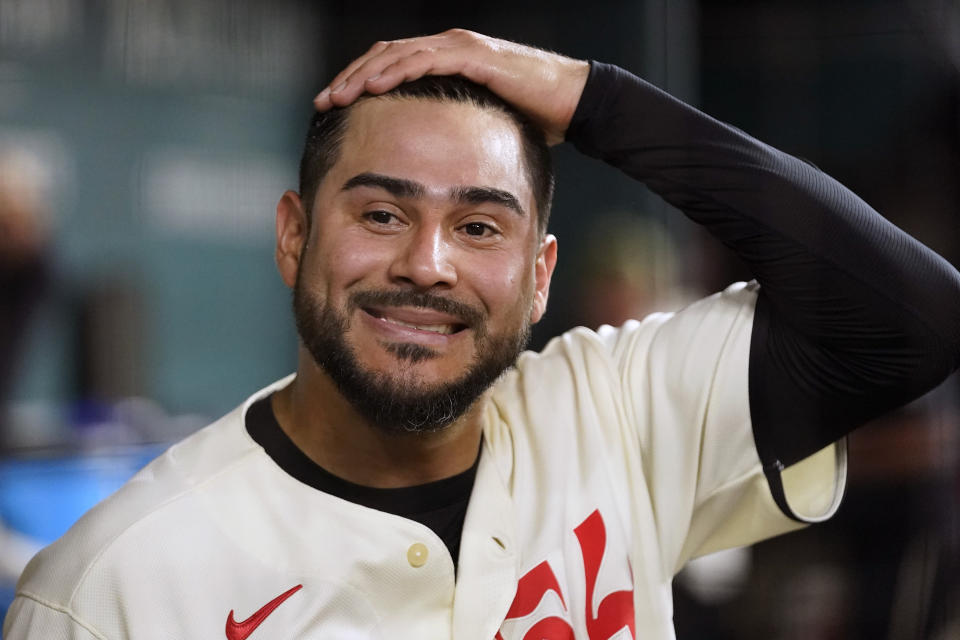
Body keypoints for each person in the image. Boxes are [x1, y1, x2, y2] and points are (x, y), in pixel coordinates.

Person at [5, 29, 960, 640]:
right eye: (381, 214)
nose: (429, 263)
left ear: (541, 276)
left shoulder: (614, 412)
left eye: (479, 225)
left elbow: (908, 318)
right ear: (293, 236)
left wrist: (594, 96)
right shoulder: (111, 589)